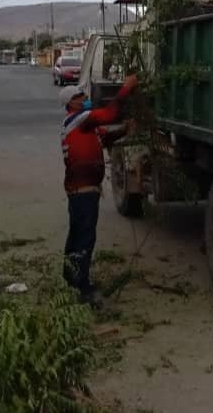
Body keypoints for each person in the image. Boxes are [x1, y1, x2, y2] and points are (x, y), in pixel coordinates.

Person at [59, 75, 139, 306]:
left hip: (82, 191)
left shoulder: (85, 128)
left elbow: (106, 136)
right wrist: (126, 89)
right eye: (79, 96)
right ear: (71, 104)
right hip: (82, 190)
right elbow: (110, 114)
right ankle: (83, 288)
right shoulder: (78, 119)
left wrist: (125, 129)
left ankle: (69, 276)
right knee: (85, 238)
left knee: (76, 235)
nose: (84, 99)